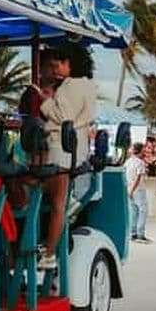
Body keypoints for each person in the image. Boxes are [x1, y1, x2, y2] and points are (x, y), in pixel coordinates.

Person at [35, 42, 97, 271]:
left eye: (59, 64)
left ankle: (49, 252)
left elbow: (62, 115)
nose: (55, 69)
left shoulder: (70, 86)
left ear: (71, 63)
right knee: (59, 202)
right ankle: (49, 248)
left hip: (61, 148)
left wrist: (46, 101)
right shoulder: (88, 86)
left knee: (57, 205)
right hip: (75, 149)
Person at [125, 143, 151, 243]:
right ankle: (141, 234)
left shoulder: (128, 162)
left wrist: (129, 190)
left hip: (129, 188)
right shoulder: (140, 163)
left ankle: (133, 233)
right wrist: (133, 190)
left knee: (134, 211)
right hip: (138, 189)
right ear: (140, 151)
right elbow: (138, 177)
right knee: (143, 211)